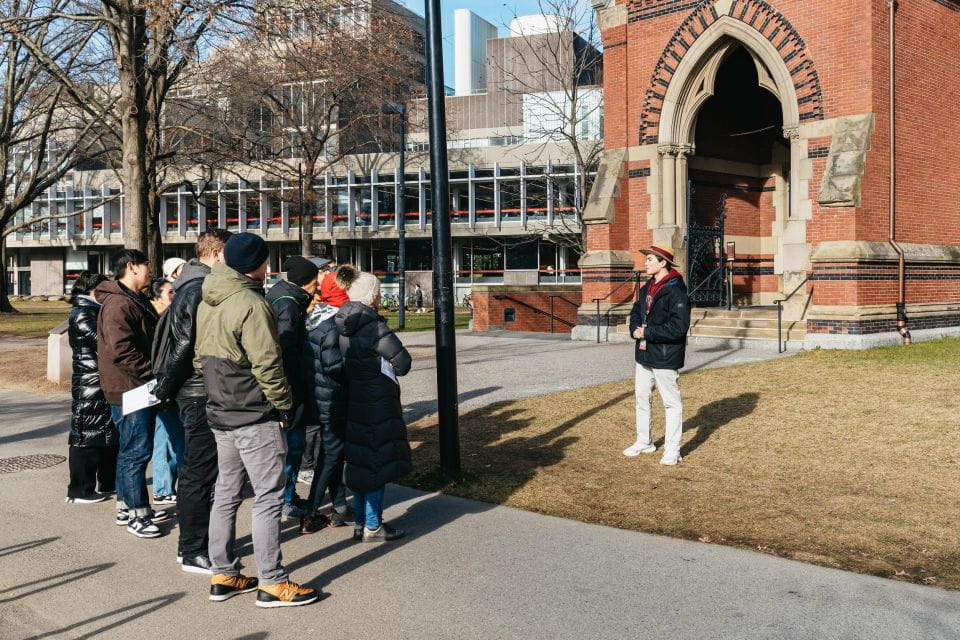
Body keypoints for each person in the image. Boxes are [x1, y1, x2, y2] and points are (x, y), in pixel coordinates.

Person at [195, 232, 317, 607]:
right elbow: (267, 363)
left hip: (220, 409)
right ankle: (272, 581)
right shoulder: (251, 302)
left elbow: (201, 358)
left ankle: (224, 572)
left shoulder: (207, 297)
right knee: (268, 495)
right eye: (267, 260)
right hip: (252, 411)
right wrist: (282, 406)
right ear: (258, 264)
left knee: (227, 494)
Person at [153, 228, 232, 575]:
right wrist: (165, 389)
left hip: (195, 389)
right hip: (198, 391)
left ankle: (197, 544)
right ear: (216, 254)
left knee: (200, 470)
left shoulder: (190, 283)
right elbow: (186, 345)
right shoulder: (200, 288)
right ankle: (191, 549)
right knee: (199, 472)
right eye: (228, 255)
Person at [336, 271, 412, 543]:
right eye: (377, 292)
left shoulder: (342, 323)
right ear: (371, 296)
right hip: (377, 399)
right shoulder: (373, 325)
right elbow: (403, 362)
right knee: (376, 462)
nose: (380, 296)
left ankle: (360, 521)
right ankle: (372, 524)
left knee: (358, 461)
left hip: (352, 397)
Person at [95, 249, 166, 538]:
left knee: (131, 449)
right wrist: (154, 374)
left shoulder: (131, 299)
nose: (150, 270)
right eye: (147, 264)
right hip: (131, 386)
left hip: (134, 385)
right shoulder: (118, 304)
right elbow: (122, 351)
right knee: (136, 451)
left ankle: (126, 505)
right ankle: (138, 513)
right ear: (132, 267)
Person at [298, 265, 359, 534]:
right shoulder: (336, 321)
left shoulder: (316, 316)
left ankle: (339, 508)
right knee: (331, 455)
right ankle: (311, 512)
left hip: (318, 394)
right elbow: (335, 365)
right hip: (333, 396)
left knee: (332, 453)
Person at [625, 244, 691, 466]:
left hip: (665, 355)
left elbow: (679, 327)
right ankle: (644, 441)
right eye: (646, 259)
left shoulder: (676, 291)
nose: (645, 263)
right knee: (642, 398)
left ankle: (673, 450)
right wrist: (635, 328)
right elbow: (636, 311)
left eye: (650, 260)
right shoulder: (646, 288)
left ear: (663, 263)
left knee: (671, 404)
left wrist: (648, 332)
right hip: (643, 355)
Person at [266, 255, 319, 521]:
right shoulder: (287, 305)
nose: (317, 287)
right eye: (314, 281)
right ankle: (286, 500)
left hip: (288, 384)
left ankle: (287, 495)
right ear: (305, 281)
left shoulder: (283, 297)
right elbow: (287, 348)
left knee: (289, 446)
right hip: (291, 387)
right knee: (292, 446)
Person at [65, 272, 117, 504]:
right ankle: (80, 490)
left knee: (103, 432)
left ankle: (105, 483)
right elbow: (102, 342)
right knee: (86, 435)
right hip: (90, 382)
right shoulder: (83, 313)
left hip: (98, 380)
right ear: (92, 291)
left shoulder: (92, 311)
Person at [147, 278, 184, 506]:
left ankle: (165, 486)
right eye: (169, 292)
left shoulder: (171, 318)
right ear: (156, 298)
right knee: (166, 437)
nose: (174, 295)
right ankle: (162, 488)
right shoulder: (154, 322)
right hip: (160, 387)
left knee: (170, 436)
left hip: (169, 386)